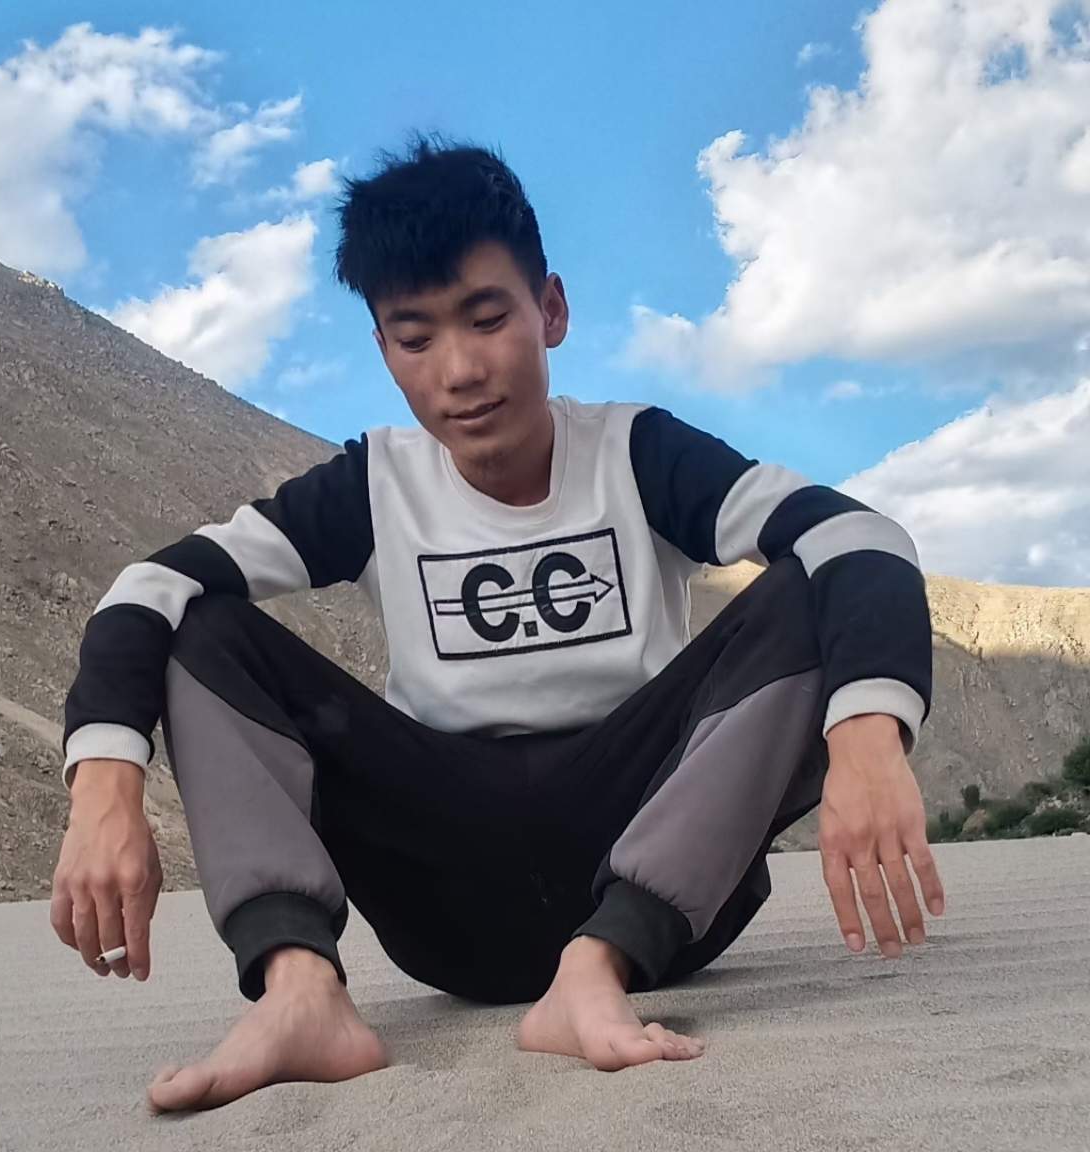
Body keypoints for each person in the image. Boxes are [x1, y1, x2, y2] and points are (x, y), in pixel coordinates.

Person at [50, 136, 945, 1113]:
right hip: (447, 896)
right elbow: (149, 585)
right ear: (383, 351)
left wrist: (867, 736)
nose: (462, 369)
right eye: (416, 338)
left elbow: (859, 534)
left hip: (659, 892)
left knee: (812, 580)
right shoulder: (374, 484)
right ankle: (299, 991)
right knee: (195, 622)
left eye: (488, 318)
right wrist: (105, 786)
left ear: (550, 309)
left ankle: (596, 970)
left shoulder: (638, 454)